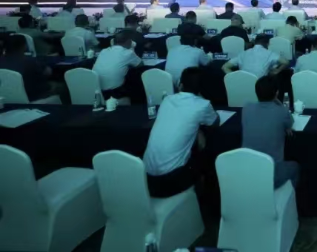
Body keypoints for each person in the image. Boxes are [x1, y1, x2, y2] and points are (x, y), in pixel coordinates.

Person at [143, 67, 219, 198]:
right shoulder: (202, 105)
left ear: (180, 84)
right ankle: (201, 200)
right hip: (170, 180)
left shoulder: (167, 100)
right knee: (206, 159)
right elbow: (215, 122)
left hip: (146, 177)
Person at [242, 75, 299, 189]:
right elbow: (290, 123)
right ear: (277, 93)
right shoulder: (282, 111)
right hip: (271, 173)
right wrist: (278, 102)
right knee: (295, 167)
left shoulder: (246, 108)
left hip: (247, 169)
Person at [0, 34, 54, 101]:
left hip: (5, 99)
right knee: (61, 88)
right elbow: (47, 73)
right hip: (34, 98)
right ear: (24, 46)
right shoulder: (29, 61)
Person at [92, 31, 142, 99]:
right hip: (115, 91)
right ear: (129, 41)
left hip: (97, 89)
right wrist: (132, 48)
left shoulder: (104, 51)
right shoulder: (128, 53)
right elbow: (140, 64)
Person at [222, 34, 287, 78]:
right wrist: (277, 71)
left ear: (254, 42)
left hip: (243, 85)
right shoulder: (269, 53)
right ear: (267, 44)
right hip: (261, 87)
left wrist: (235, 78)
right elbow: (285, 62)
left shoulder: (243, 53)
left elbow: (225, 67)